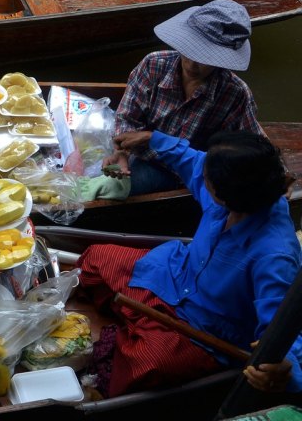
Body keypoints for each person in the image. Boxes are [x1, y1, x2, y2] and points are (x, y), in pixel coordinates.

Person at [79, 129, 301, 398]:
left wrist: (281, 369)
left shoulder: (275, 255)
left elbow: (281, 329)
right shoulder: (235, 190)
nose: (200, 175)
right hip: (173, 276)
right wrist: (152, 139)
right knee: (96, 259)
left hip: (203, 331)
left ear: (221, 194)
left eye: (206, 178)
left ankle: (138, 333)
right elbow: (192, 159)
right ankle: (137, 328)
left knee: (146, 364)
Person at [102, 0, 263, 196]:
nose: (193, 64)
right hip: (145, 154)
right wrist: (122, 151)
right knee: (104, 178)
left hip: (189, 171)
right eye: (190, 50)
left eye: (206, 58)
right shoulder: (153, 65)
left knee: (116, 190)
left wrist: (278, 177)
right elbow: (128, 117)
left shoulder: (235, 93)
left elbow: (254, 146)